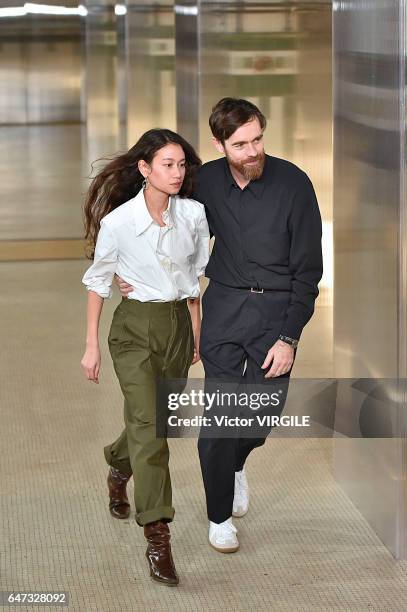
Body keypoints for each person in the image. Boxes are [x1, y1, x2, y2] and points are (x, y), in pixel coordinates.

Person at [116, 98, 323, 554]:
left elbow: (309, 271)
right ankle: (220, 517)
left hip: (277, 313)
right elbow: (149, 207)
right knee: (221, 417)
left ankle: (235, 465)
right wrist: (120, 264)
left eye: (257, 140)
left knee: (260, 418)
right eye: (240, 144)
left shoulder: (294, 184)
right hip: (225, 309)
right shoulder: (203, 180)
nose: (252, 152)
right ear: (219, 144)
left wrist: (289, 336)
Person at [80, 128, 210, 586]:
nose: (176, 174)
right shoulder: (119, 223)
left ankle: (118, 464)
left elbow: (194, 278)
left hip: (177, 325)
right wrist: (92, 345)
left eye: (181, 166)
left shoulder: (193, 214)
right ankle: (158, 536)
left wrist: (195, 334)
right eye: (167, 165)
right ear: (144, 169)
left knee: (155, 419)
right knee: (151, 430)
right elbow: (99, 282)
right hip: (134, 330)